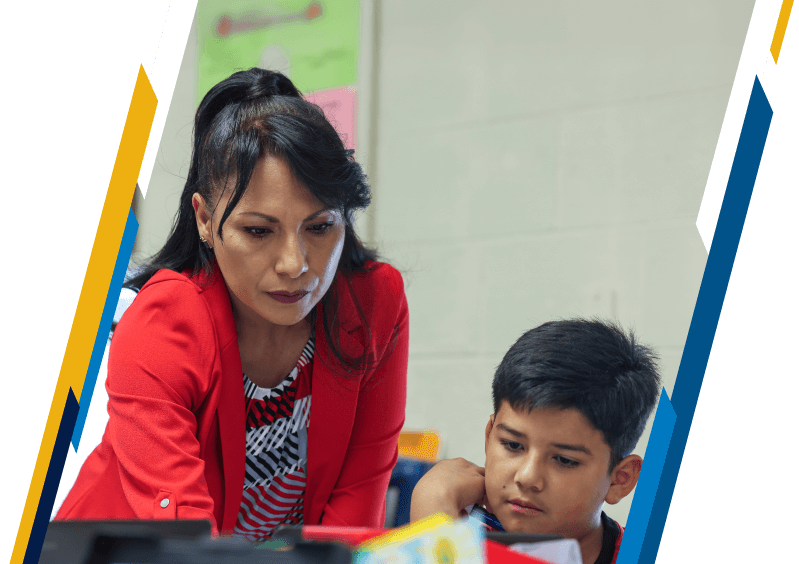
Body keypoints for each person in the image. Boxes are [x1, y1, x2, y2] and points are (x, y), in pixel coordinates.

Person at [56, 68, 409, 541]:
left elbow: (359, 495)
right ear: (205, 219)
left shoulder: (372, 302)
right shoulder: (163, 322)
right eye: (258, 231)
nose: (294, 264)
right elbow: (185, 533)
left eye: (320, 227)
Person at [410, 319, 661, 564]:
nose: (527, 477)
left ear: (620, 479)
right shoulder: (456, 530)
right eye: (512, 445)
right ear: (489, 436)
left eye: (564, 460)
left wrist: (431, 514)